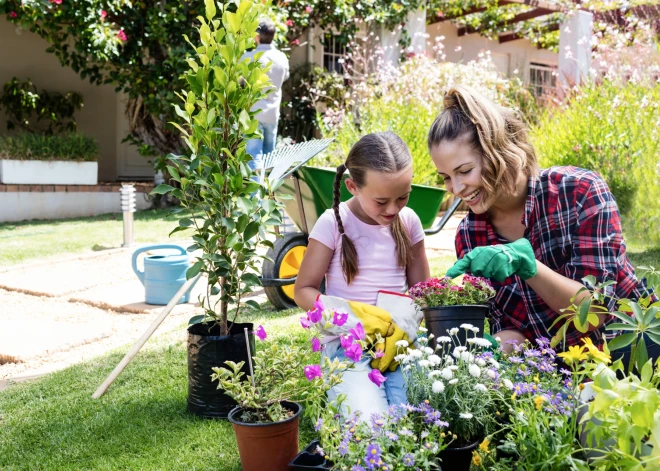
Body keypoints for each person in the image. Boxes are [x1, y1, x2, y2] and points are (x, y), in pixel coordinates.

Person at [427, 84, 656, 358]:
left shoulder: (580, 192)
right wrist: (485, 351)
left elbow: (595, 313)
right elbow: (514, 330)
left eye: (464, 171)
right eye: (446, 177)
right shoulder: (471, 235)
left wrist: (529, 267)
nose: (457, 187)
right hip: (557, 367)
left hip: (629, 345)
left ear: (498, 150)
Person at [294, 131, 430, 416]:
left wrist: (406, 327)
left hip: (397, 343)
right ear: (352, 186)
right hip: (346, 346)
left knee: (418, 418)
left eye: (403, 197)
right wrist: (353, 317)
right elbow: (303, 290)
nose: (393, 209)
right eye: (381, 202)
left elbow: (422, 292)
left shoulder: (409, 222)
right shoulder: (332, 223)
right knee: (373, 429)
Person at [243, 18, 289, 173]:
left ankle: (255, 197)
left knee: (254, 157)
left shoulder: (249, 58)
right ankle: (268, 194)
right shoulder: (282, 58)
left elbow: (238, 81)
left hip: (254, 114)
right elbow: (285, 77)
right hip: (272, 114)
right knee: (270, 158)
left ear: (257, 36)